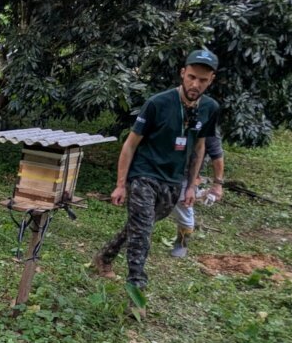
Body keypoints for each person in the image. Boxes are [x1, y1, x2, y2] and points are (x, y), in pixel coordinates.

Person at [92, 49, 221, 294]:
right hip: (144, 175)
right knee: (142, 234)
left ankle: (104, 257)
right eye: (192, 77)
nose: (195, 84)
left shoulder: (210, 108)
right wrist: (121, 184)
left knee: (142, 224)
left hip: (173, 180)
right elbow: (130, 145)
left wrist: (192, 185)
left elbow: (200, 147)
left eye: (203, 80)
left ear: (211, 80)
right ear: (183, 73)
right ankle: (136, 290)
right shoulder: (158, 103)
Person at [171, 129, 226, 257]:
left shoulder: (207, 126)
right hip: (160, 169)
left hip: (187, 174)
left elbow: (217, 156)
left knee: (184, 206)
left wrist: (218, 184)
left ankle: (182, 243)